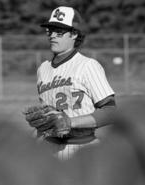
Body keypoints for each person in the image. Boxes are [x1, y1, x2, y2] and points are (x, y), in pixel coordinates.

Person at [24, 6, 116, 160]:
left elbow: (110, 112)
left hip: (82, 149)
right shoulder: (43, 69)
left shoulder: (87, 65)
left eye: (59, 31)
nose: (52, 35)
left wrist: (69, 122)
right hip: (49, 149)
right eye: (50, 30)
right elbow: (49, 121)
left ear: (74, 34)